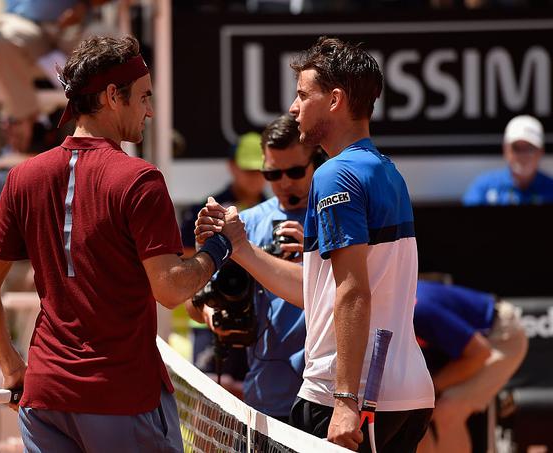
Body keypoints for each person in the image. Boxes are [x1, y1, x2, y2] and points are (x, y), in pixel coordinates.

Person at [0, 35, 236, 453]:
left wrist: (11, 368)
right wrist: (218, 250)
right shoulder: (139, 180)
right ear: (113, 96)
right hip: (119, 399)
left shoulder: (23, 178)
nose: (150, 109)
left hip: (45, 400)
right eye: (145, 97)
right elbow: (170, 289)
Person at [196, 36, 435, 452]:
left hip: (351, 396)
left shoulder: (334, 174)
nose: (293, 107)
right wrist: (241, 246)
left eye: (303, 95)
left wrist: (344, 401)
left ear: (336, 100)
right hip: (401, 394)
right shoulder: (384, 170)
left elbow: (352, 291)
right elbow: (320, 292)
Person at [189, 114, 321, 421]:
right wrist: (214, 317)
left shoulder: (337, 215)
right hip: (266, 396)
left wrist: (315, 254)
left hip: (326, 394)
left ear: (316, 162)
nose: (285, 182)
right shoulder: (245, 224)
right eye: (273, 174)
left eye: (296, 171)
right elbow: (197, 302)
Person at [180, 131, 266, 392]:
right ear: (232, 167)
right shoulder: (205, 212)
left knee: (250, 396)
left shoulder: (276, 214)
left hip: (258, 317)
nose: (254, 176)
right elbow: (184, 258)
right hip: (211, 315)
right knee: (211, 399)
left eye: (259, 170)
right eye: (247, 169)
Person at [414, 280, 528, 453]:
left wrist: (434, 388)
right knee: (423, 409)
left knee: (446, 410)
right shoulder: (396, 304)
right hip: (470, 348)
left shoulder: (417, 309)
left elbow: (480, 353)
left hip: (501, 336)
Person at [0, 0, 115, 154]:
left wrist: (84, 5)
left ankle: (104, 124)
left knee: (111, 41)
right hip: (25, 26)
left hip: (75, 28)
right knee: (4, 38)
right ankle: (24, 119)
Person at [463, 115, 553, 205]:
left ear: (541, 152)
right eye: (516, 148)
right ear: (505, 149)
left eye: (529, 148)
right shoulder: (484, 187)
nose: (522, 155)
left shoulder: (551, 189)